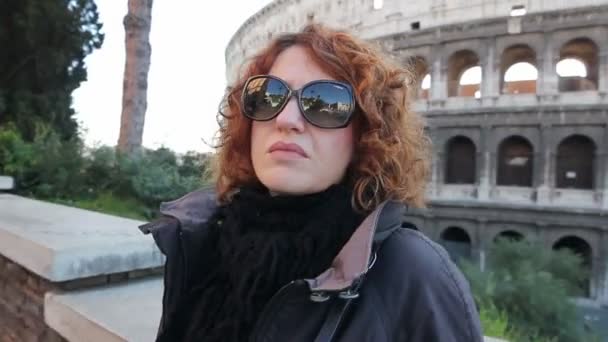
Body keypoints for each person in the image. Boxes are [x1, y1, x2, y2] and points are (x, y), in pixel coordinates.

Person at [139, 24, 483, 342]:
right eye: (268, 96)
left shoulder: (414, 274)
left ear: (367, 134)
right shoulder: (201, 241)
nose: (287, 120)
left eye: (326, 103)